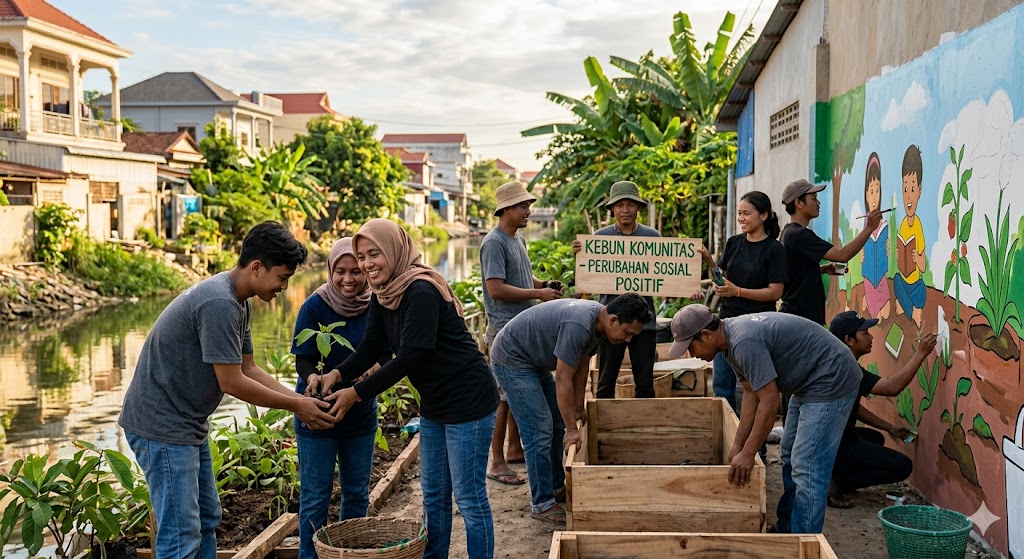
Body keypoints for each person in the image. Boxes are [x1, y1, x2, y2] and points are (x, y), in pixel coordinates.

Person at [119, 221, 335, 559]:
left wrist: (300, 399)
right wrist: (297, 408)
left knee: (207, 518)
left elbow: (248, 368)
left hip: (187, 422)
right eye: (282, 277)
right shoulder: (218, 302)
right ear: (256, 267)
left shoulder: (239, 301)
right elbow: (232, 382)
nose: (284, 286)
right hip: (161, 426)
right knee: (180, 535)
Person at [319, 218, 500, 559]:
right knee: (433, 495)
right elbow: (372, 347)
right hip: (435, 403)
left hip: (469, 400)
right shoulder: (384, 293)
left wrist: (356, 393)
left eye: (374, 254)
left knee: (469, 498)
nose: (366, 264)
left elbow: (410, 358)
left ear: (394, 250)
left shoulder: (420, 290)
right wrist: (337, 375)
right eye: (361, 256)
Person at [666, 304, 860, 534]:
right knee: (788, 454)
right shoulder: (727, 343)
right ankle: (788, 528)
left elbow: (769, 402)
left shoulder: (743, 342)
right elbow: (751, 393)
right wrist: (737, 445)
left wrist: (749, 453)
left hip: (830, 378)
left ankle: (804, 543)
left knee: (807, 467)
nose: (692, 354)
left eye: (691, 346)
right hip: (808, 380)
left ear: (706, 335)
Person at [490, 294, 651, 526]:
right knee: (539, 429)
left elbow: (582, 365)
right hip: (513, 358)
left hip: (533, 359)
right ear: (614, 319)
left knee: (555, 422)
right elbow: (563, 378)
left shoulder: (599, 325)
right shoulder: (579, 324)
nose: (628, 341)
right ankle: (542, 502)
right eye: (628, 333)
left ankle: (556, 486)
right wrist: (571, 429)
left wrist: (577, 409)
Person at [291, 238, 389, 559]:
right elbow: (303, 357)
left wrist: (374, 367)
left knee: (357, 494)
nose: (348, 280)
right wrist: (312, 377)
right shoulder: (314, 306)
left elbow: (388, 352)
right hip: (317, 411)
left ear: (365, 270)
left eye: (355, 272)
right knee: (315, 496)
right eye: (340, 272)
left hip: (359, 413)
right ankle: (310, 555)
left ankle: (350, 553)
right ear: (330, 271)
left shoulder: (378, 303)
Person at [480, 181, 563, 486]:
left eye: (528, 205)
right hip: (504, 330)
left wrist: (543, 285)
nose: (529, 211)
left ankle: (515, 449)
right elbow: (496, 287)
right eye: (522, 206)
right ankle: (497, 461)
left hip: (523, 328)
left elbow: (524, 276)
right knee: (503, 399)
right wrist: (536, 295)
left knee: (517, 392)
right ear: (505, 210)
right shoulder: (494, 242)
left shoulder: (518, 241)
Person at [827, 311, 936, 508]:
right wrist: (921, 353)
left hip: (834, 436)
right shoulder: (847, 368)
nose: (871, 337)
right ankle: (836, 482)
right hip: (833, 442)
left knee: (876, 438)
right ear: (849, 340)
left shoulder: (836, 361)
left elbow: (853, 408)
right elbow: (892, 387)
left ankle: (836, 472)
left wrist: (889, 427)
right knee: (902, 466)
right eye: (865, 333)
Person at [699, 190, 787, 412]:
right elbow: (721, 279)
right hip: (727, 322)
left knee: (757, 387)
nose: (741, 218)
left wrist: (737, 291)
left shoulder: (774, 250)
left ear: (764, 215)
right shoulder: (734, 243)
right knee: (722, 385)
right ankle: (727, 435)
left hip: (758, 326)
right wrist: (710, 262)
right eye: (739, 213)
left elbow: (775, 292)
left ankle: (756, 443)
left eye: (746, 213)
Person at [572, 180, 660, 398]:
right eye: (620, 205)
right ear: (612, 208)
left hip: (644, 323)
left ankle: (643, 429)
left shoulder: (654, 237)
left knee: (645, 383)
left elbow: (667, 275)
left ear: (638, 207)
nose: (625, 210)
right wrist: (581, 257)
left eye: (630, 204)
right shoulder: (599, 238)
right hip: (611, 322)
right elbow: (589, 276)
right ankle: (603, 429)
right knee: (605, 382)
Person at [779, 178, 883, 325]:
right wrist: (869, 228)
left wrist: (822, 269)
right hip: (800, 319)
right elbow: (842, 255)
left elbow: (794, 271)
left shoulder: (788, 232)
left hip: (797, 316)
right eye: (814, 199)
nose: (818, 203)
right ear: (798, 203)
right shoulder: (799, 235)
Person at [894, 145, 927, 327]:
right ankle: (912, 310)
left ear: (919, 191)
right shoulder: (903, 225)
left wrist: (917, 258)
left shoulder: (918, 226)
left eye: (912, 189)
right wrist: (900, 257)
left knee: (922, 293)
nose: (908, 197)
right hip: (904, 280)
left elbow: (922, 266)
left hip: (915, 285)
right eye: (906, 189)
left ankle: (908, 307)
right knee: (897, 282)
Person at [861, 153, 892, 320]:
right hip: (868, 274)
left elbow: (887, 246)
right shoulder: (865, 223)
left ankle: (876, 301)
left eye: (877, 190)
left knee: (885, 309)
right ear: (866, 194)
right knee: (876, 312)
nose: (874, 196)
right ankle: (869, 299)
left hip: (880, 274)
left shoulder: (884, 224)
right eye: (871, 191)